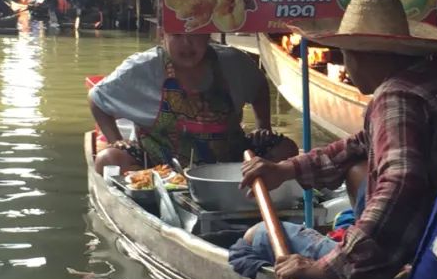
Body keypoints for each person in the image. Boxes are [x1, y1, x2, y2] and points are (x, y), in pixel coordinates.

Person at [237, 0, 437, 279]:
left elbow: (402, 181)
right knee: (356, 165)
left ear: (360, 56)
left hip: (416, 259)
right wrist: (284, 170)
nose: (345, 66)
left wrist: (330, 266)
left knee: (257, 236)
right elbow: (356, 145)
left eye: (344, 56)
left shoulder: (395, 97)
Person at [90, 32, 298, 174]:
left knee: (286, 148)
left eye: (195, 35)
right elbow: (96, 98)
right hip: (158, 166)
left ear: (209, 34)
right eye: (178, 35)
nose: (187, 44)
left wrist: (264, 126)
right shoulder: (144, 68)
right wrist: (116, 140)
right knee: (108, 159)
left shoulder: (233, 61)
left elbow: (260, 87)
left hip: (232, 163)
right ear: (163, 33)